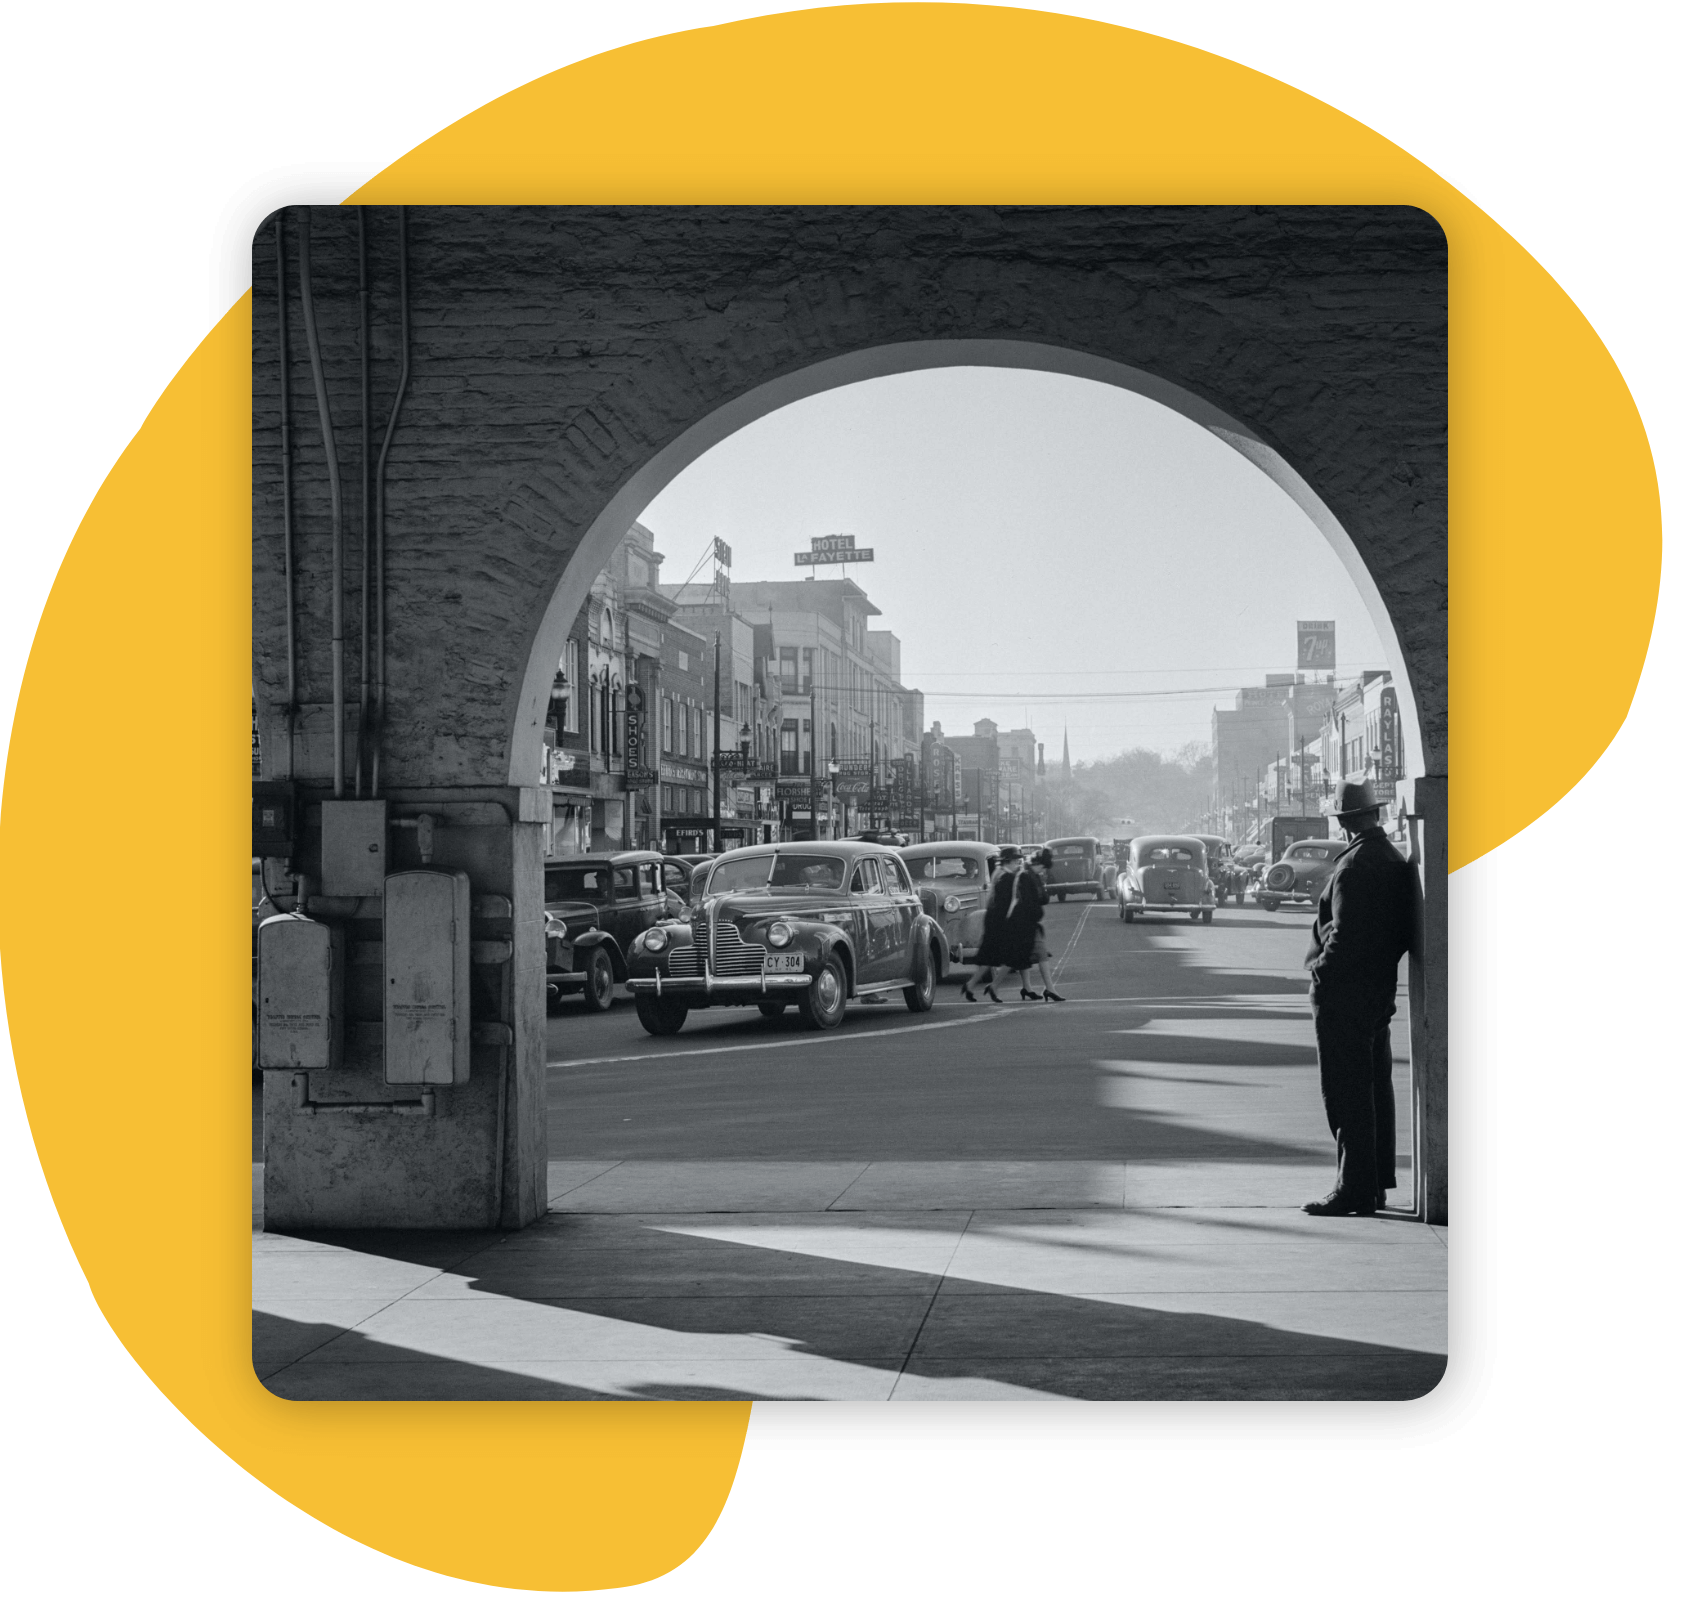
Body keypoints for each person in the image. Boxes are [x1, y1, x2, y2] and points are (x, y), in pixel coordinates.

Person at [1302, 780, 1414, 1217]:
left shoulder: (1354, 865)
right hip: (1376, 990)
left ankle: (1353, 1186)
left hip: (1343, 994)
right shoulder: (1391, 857)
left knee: (1346, 1092)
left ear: (1345, 823)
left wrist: (1322, 973)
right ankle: (1373, 1183)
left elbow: (1343, 935)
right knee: (1375, 1090)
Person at [963, 846, 1023, 1002]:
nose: (1018, 863)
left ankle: (971, 985)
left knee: (989, 958)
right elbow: (1007, 904)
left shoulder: (999, 875)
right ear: (1009, 861)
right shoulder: (1008, 878)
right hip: (1001, 922)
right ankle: (993, 986)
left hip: (992, 919)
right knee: (1012, 957)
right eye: (1016, 860)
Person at [1022, 848, 1065, 1001]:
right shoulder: (1028, 877)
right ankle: (1050, 989)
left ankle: (1027, 987)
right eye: (1043, 867)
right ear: (1038, 864)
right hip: (1028, 922)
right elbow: (1040, 898)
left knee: (1024, 956)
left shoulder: (1030, 875)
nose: (1044, 870)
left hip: (1028, 921)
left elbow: (1043, 898)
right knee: (1041, 955)